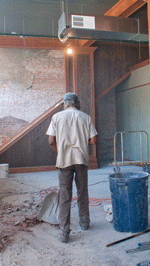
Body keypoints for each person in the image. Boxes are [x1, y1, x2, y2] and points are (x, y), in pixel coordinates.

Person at [46, 92, 98, 243]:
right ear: (77, 103)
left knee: (65, 195)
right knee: (82, 191)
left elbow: (51, 141)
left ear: (64, 103)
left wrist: (59, 152)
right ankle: (85, 222)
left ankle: (64, 232)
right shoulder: (85, 117)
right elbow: (93, 140)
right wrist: (82, 142)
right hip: (81, 159)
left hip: (64, 160)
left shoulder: (56, 117)